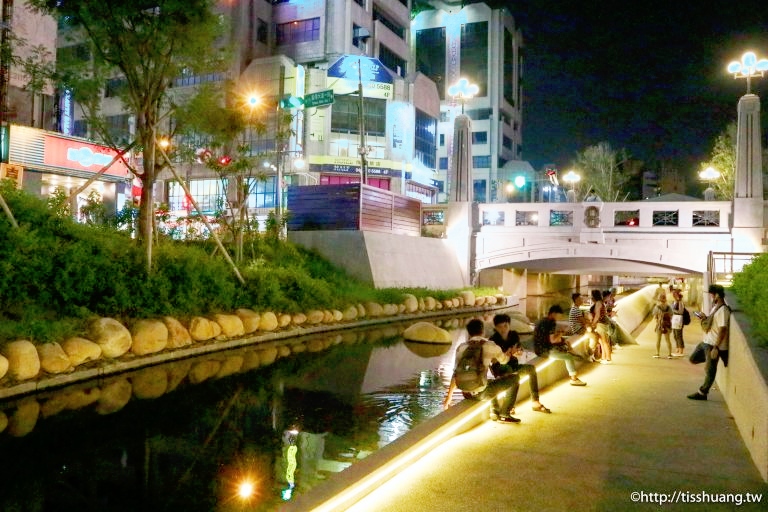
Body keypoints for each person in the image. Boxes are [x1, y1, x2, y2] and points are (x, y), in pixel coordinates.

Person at [443, 318, 522, 422]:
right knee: (515, 378)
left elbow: (456, 373)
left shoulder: (461, 347)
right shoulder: (490, 345)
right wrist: (511, 353)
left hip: (466, 393)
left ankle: (494, 411)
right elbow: (504, 361)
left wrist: (449, 397)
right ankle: (505, 413)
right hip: (482, 393)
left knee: (488, 382)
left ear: (469, 333)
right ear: (483, 331)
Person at [489, 313, 551, 414]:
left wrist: (518, 352)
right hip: (501, 368)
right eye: (500, 327)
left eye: (505, 326)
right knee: (512, 376)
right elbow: (492, 361)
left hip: (513, 365)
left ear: (509, 325)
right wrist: (508, 353)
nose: (503, 329)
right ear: (495, 327)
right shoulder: (493, 341)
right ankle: (509, 406)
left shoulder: (513, 335)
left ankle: (535, 401)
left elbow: (519, 350)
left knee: (530, 369)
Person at [688, 285, 730, 401]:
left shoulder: (723, 310)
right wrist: (704, 318)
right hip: (706, 341)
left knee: (710, 370)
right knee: (693, 359)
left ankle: (702, 393)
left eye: (712, 294)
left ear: (717, 295)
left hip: (713, 344)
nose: (711, 296)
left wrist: (716, 347)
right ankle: (709, 361)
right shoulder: (715, 308)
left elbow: (723, 329)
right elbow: (714, 323)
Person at [533, 305, 587, 386]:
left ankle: (575, 368)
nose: (559, 318)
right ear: (554, 313)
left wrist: (562, 338)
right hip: (546, 351)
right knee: (569, 356)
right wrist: (562, 333)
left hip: (540, 349)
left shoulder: (543, 321)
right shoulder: (551, 323)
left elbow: (550, 338)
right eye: (559, 316)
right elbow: (553, 340)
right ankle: (574, 378)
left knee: (567, 348)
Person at [589, 289, 612, 363]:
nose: (590, 297)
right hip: (602, 324)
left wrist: (593, 323)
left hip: (600, 324)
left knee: (604, 341)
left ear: (594, 296)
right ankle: (604, 358)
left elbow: (597, 315)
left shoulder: (598, 303)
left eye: (591, 296)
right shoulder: (601, 303)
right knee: (602, 342)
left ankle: (608, 358)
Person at [652, 293, 673, 358]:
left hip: (659, 325)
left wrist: (659, 319)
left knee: (658, 339)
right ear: (665, 299)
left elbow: (655, 316)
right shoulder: (669, 307)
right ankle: (669, 354)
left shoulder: (657, 307)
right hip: (667, 325)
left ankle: (657, 353)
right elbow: (671, 315)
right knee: (668, 340)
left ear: (659, 299)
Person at [670, 288, 686, 356]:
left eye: (675, 294)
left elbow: (681, 311)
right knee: (675, 335)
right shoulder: (673, 302)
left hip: (679, 320)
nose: (673, 296)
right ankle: (677, 348)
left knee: (679, 335)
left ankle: (681, 350)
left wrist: (673, 310)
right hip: (674, 320)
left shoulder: (680, 302)